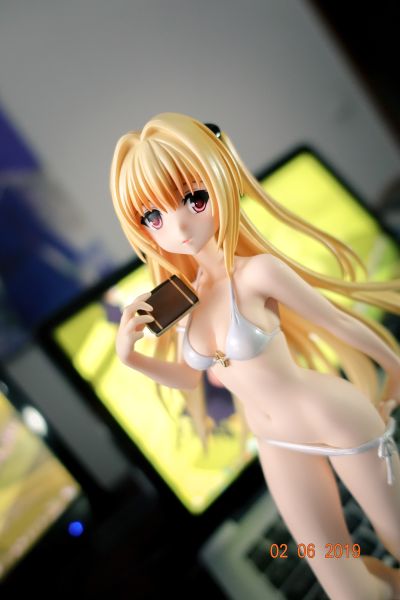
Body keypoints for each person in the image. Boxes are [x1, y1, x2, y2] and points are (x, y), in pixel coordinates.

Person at [109, 112, 400, 599]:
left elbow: (340, 323)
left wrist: (394, 371)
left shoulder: (258, 273)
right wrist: (130, 357)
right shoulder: (181, 301)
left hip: (332, 417)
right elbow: (188, 377)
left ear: (221, 182)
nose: (177, 225)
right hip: (276, 445)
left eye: (193, 198)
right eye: (152, 217)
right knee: (343, 583)